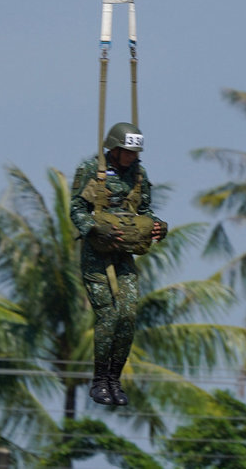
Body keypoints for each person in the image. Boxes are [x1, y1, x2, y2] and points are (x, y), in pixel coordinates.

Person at [70, 122, 167, 406]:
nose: (131, 157)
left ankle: (115, 379)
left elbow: (145, 209)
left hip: (124, 251)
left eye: (135, 152)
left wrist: (159, 226)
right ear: (113, 148)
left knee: (127, 315)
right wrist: (93, 228)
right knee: (109, 315)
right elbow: (76, 208)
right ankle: (99, 380)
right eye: (126, 151)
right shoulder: (92, 170)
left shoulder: (139, 173)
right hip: (97, 254)